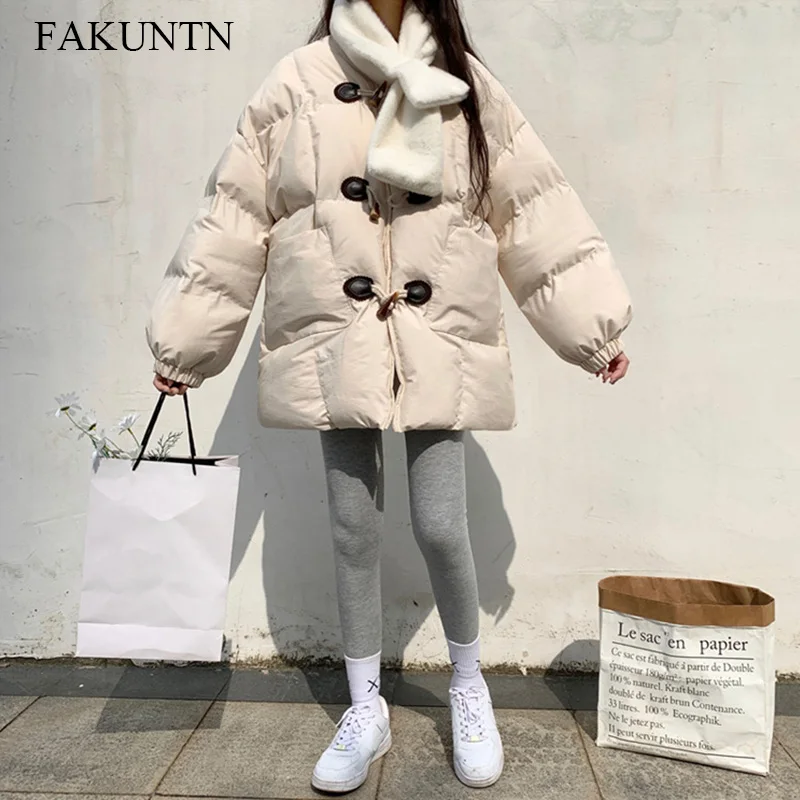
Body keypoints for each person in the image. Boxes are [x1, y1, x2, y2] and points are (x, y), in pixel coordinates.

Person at [146, 0, 632, 792]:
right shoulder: (296, 82)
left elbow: (533, 207)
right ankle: (365, 704)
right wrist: (188, 341)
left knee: (440, 523)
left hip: (437, 333)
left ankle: (469, 685)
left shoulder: (465, 85)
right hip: (335, 332)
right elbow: (233, 215)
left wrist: (592, 327)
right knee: (352, 525)